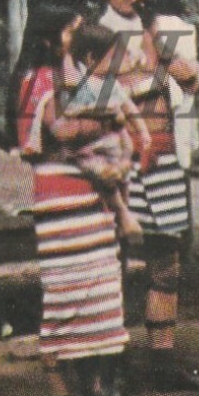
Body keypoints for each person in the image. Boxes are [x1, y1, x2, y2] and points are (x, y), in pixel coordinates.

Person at [9, 4, 141, 396]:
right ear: (51, 38)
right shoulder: (40, 80)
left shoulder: (73, 79)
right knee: (66, 303)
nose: (79, 38)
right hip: (61, 200)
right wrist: (111, 124)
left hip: (91, 199)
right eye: (72, 31)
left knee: (99, 300)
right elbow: (62, 132)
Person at [91, 0, 199, 392]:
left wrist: (170, 60)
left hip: (163, 155)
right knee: (112, 260)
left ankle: (162, 359)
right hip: (114, 161)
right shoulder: (92, 34)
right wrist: (147, 80)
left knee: (166, 259)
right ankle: (112, 365)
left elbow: (196, 81)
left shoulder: (171, 28)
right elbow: (96, 96)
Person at [62, 20, 155, 244]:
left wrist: (143, 132)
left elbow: (129, 109)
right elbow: (72, 112)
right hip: (93, 148)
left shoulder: (112, 85)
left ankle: (124, 215)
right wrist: (104, 113)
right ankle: (122, 214)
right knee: (104, 176)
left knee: (124, 175)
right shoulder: (81, 84)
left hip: (115, 145)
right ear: (91, 59)